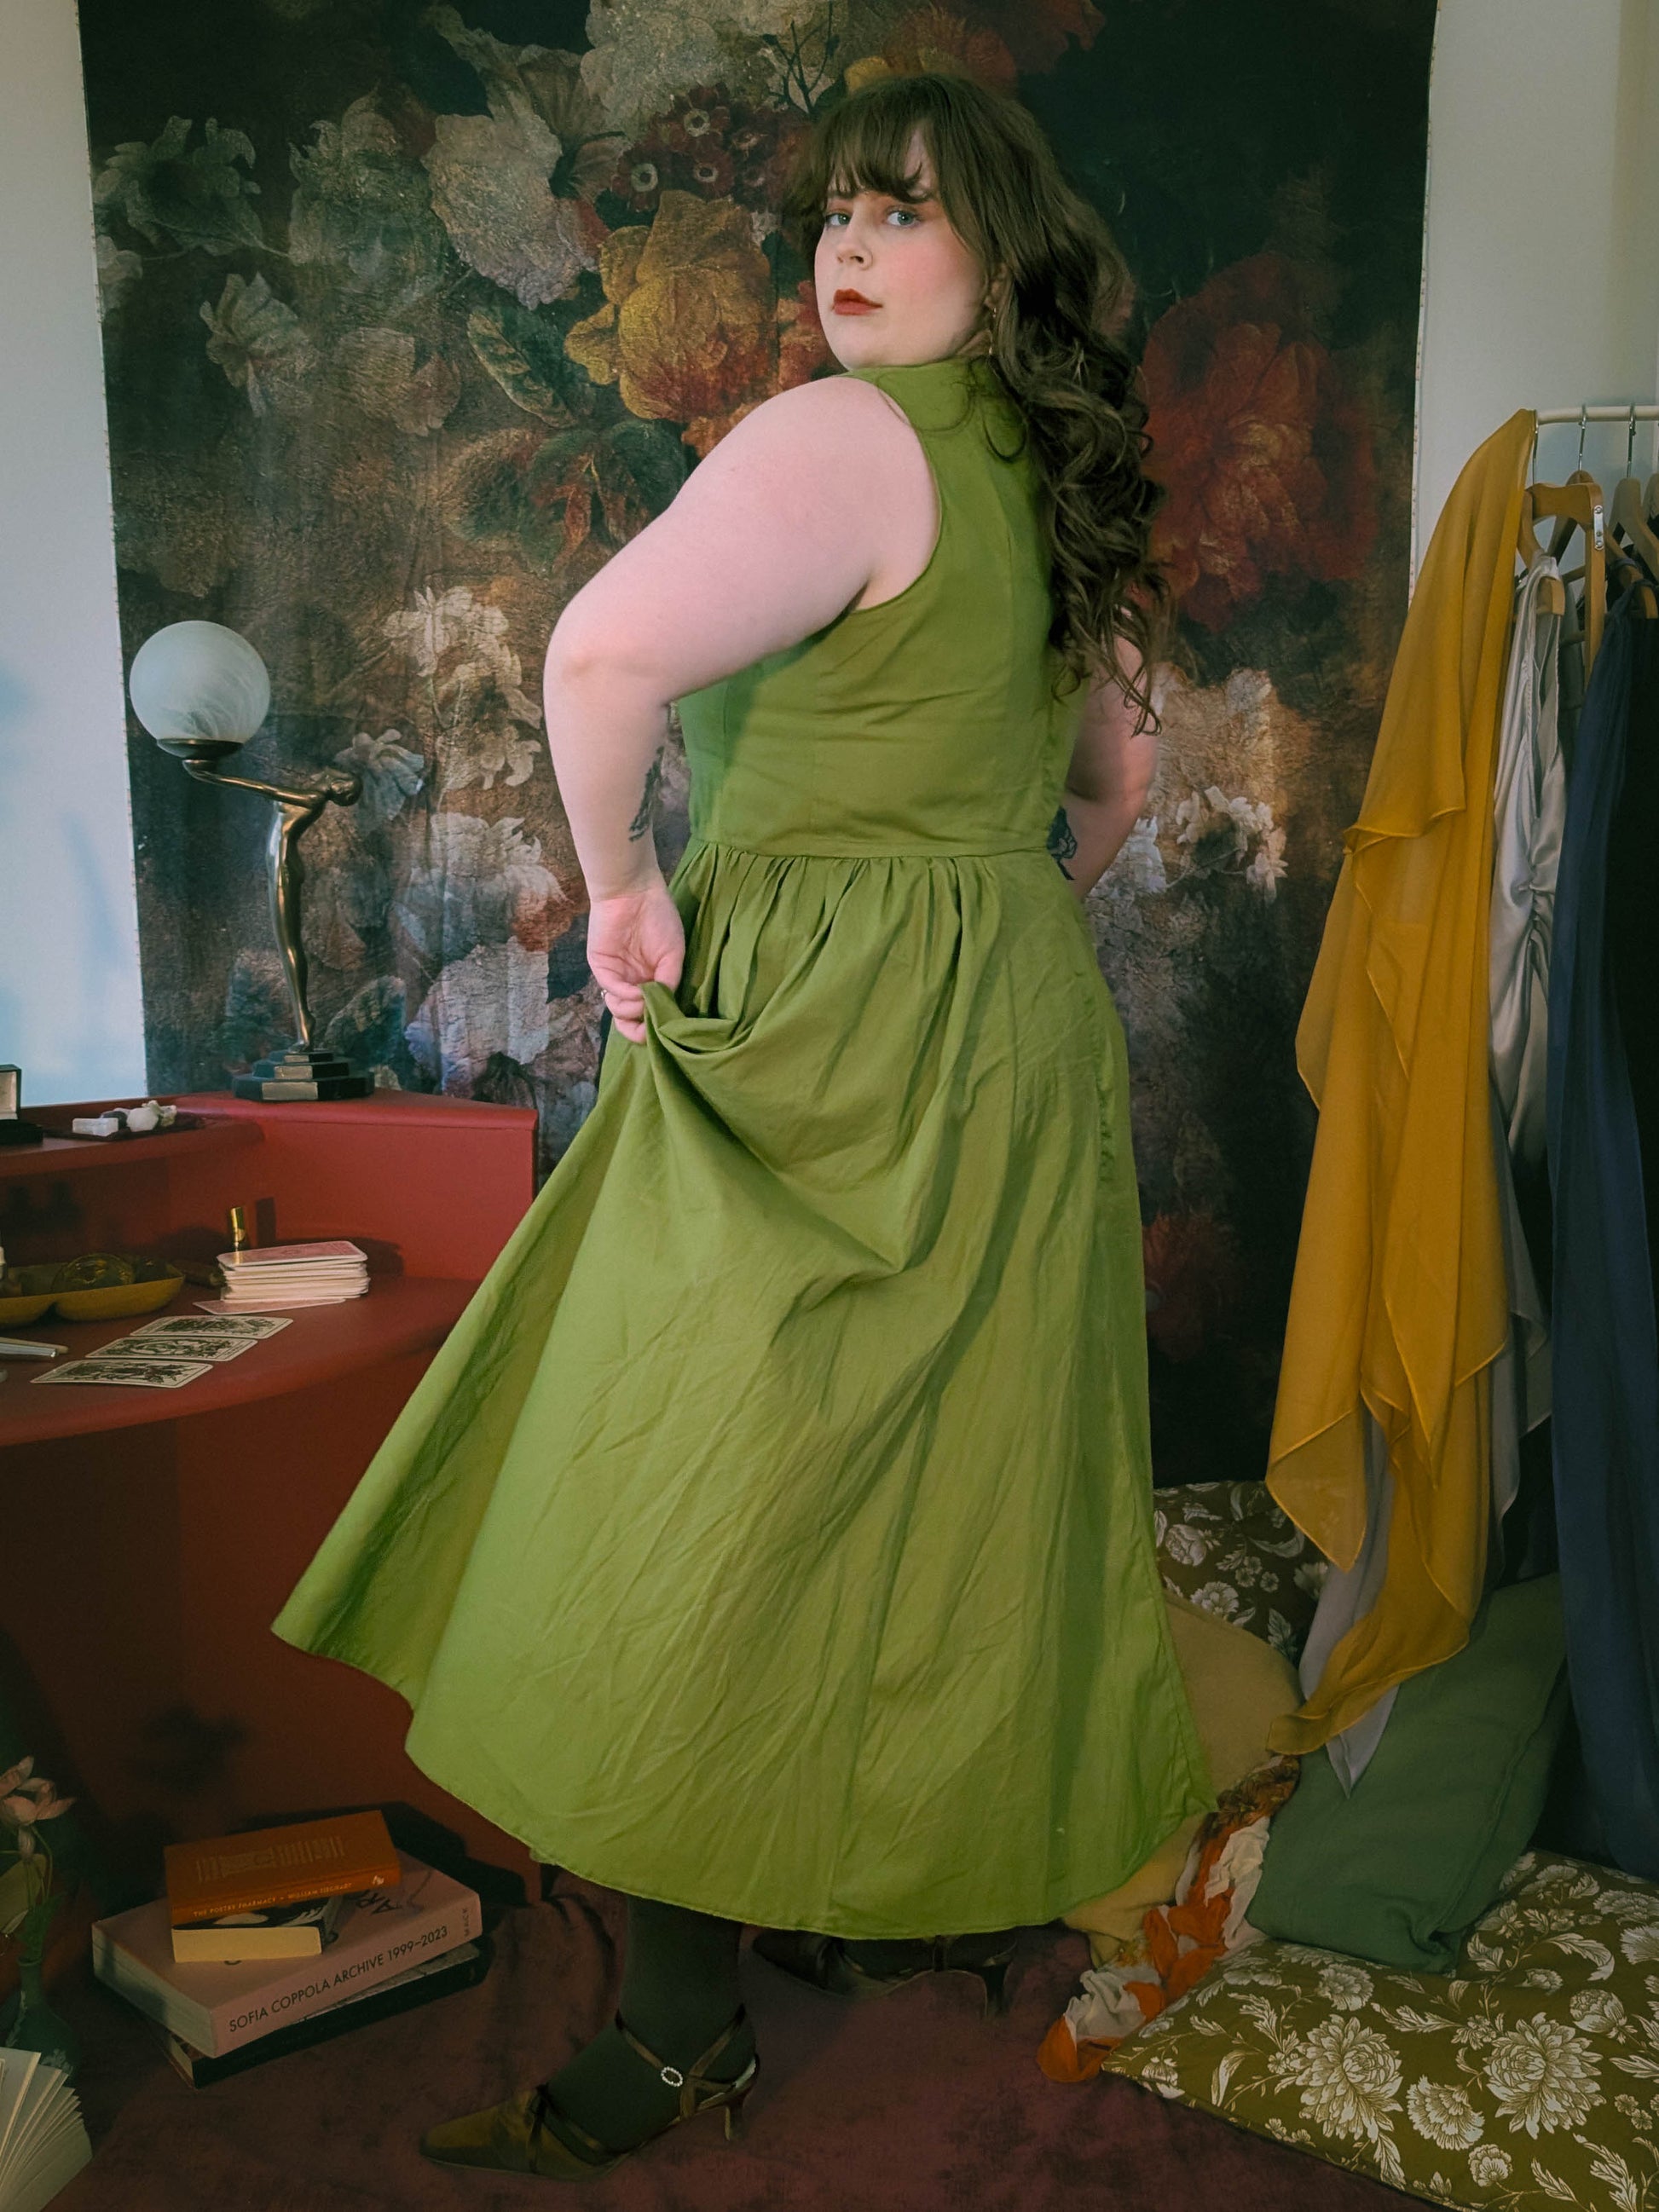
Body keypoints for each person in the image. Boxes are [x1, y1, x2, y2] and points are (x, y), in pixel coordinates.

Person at [270, 67, 1211, 2182]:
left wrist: (621, 886)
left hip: (813, 1022)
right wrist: (982, 918)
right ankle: (860, 1892)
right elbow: (1112, 790)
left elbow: (600, 654)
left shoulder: (837, 437)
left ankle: (682, 2026)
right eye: (833, 213)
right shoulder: (1057, 478)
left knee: (687, 1499)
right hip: (1001, 1024)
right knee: (927, 1489)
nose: (845, 247)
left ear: (1002, 250)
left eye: (901, 211)